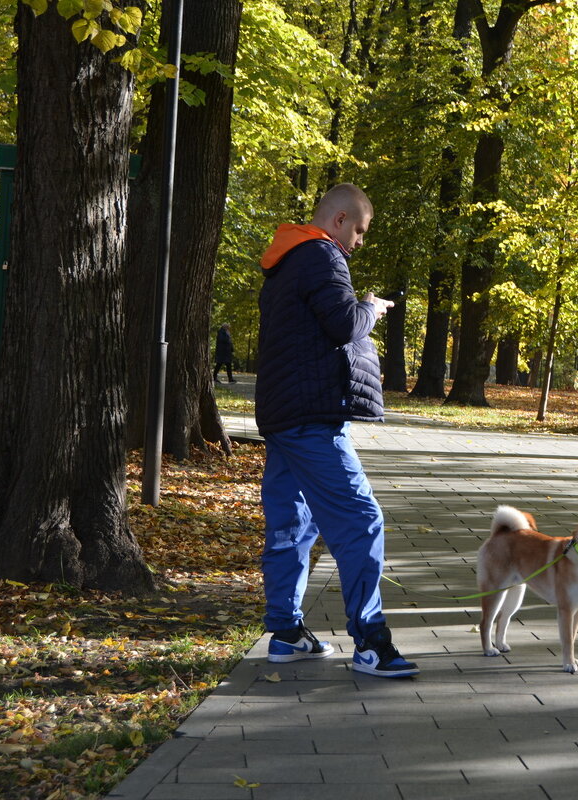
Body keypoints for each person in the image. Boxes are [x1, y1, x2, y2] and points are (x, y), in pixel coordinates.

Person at [255, 183, 418, 677]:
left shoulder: (285, 260)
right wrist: (371, 306)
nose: (361, 242)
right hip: (311, 419)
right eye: (361, 231)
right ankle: (370, 642)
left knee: (293, 523)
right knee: (361, 519)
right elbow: (345, 325)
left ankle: (285, 633)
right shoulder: (323, 255)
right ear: (341, 219)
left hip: (284, 416)